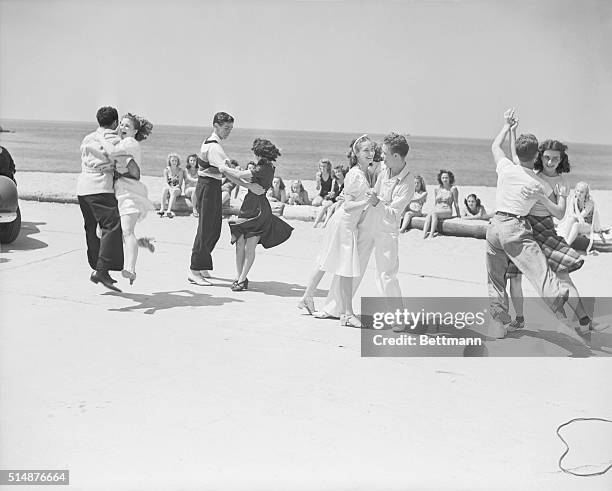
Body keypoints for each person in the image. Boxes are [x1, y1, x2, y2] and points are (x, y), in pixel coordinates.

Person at [311, 133, 414, 329]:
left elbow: (393, 214)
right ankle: (334, 309)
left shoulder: (408, 182)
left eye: (384, 153)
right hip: (367, 224)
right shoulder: (385, 169)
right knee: (350, 268)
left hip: (387, 231)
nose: (380, 156)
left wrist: (377, 202)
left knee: (386, 275)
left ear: (397, 157)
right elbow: (365, 183)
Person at [485, 108, 571, 339]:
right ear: (537, 157)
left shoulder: (505, 168)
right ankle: (556, 296)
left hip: (495, 226)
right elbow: (558, 212)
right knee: (538, 270)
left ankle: (498, 325)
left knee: (495, 279)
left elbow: (496, 147)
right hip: (516, 227)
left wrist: (507, 126)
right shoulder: (539, 183)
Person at [505, 138, 591, 331]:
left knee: (562, 276)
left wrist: (541, 197)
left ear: (561, 160)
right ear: (540, 157)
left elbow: (560, 214)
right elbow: (516, 156)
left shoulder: (561, 182)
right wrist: (512, 130)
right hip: (524, 227)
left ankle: (584, 320)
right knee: (515, 276)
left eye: (555, 158)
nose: (550, 162)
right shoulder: (532, 174)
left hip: (545, 230)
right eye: (546, 157)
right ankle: (519, 319)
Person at [298, 134, 374, 327]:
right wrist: (369, 201)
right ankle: (347, 314)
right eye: (366, 150)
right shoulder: (355, 174)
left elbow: (344, 199)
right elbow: (348, 206)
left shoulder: (361, 173)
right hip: (344, 223)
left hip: (346, 224)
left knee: (328, 261)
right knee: (345, 268)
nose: (370, 153)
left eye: (372, 149)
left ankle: (307, 297)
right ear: (356, 154)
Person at [218, 138, 294, 291]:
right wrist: (248, 185)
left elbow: (239, 174)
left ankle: (241, 279)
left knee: (249, 246)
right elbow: (240, 179)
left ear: (259, 153)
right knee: (240, 243)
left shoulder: (264, 168)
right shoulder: (264, 166)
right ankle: (240, 278)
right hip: (248, 206)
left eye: (256, 153)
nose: (255, 156)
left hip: (259, 209)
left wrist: (223, 168)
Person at [94, 113, 155, 285]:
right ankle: (141, 243)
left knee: (127, 232)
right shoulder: (125, 143)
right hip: (120, 193)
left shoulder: (130, 143)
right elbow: (117, 163)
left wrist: (100, 136)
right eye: (121, 124)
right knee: (112, 233)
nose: (122, 127)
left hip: (130, 193)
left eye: (127, 126)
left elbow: (113, 152)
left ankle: (130, 269)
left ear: (135, 131)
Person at [189, 112, 245, 286]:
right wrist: (248, 183)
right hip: (207, 187)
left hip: (211, 187)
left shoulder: (213, 143)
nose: (229, 131)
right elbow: (227, 171)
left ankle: (202, 264)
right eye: (226, 128)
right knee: (206, 229)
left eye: (231, 128)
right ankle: (194, 270)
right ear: (216, 126)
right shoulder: (213, 147)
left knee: (214, 229)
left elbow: (226, 168)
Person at [76, 106, 123, 292]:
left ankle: (97, 266)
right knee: (111, 227)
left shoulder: (88, 138)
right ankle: (101, 270)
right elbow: (122, 163)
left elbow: (86, 159)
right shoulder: (115, 140)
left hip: (83, 188)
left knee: (91, 227)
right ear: (115, 122)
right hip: (100, 189)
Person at [560, 182, 607, 252]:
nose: (579, 193)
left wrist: (575, 207)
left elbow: (581, 216)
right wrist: (575, 212)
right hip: (580, 222)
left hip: (590, 225)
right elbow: (571, 214)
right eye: (577, 191)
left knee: (576, 225)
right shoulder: (574, 199)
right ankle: (564, 242)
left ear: (586, 193)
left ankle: (567, 246)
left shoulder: (590, 202)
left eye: (582, 192)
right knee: (571, 220)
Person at [422, 169, 459, 238]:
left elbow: (456, 203)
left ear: (450, 178)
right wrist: (433, 210)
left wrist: (458, 215)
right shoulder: (437, 189)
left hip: (447, 210)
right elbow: (435, 203)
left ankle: (431, 234)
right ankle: (424, 234)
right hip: (438, 209)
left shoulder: (453, 189)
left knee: (434, 214)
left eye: (446, 178)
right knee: (429, 214)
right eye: (443, 178)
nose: (445, 179)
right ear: (440, 179)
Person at [158, 153, 186, 218]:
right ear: (169, 161)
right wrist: (170, 188)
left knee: (173, 191)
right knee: (164, 189)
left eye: (176, 161)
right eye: (172, 160)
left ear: (178, 162)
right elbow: (166, 182)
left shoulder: (180, 171)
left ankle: (168, 211)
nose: (174, 162)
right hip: (169, 187)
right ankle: (162, 209)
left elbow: (180, 184)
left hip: (177, 189)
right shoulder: (166, 170)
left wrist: (173, 188)